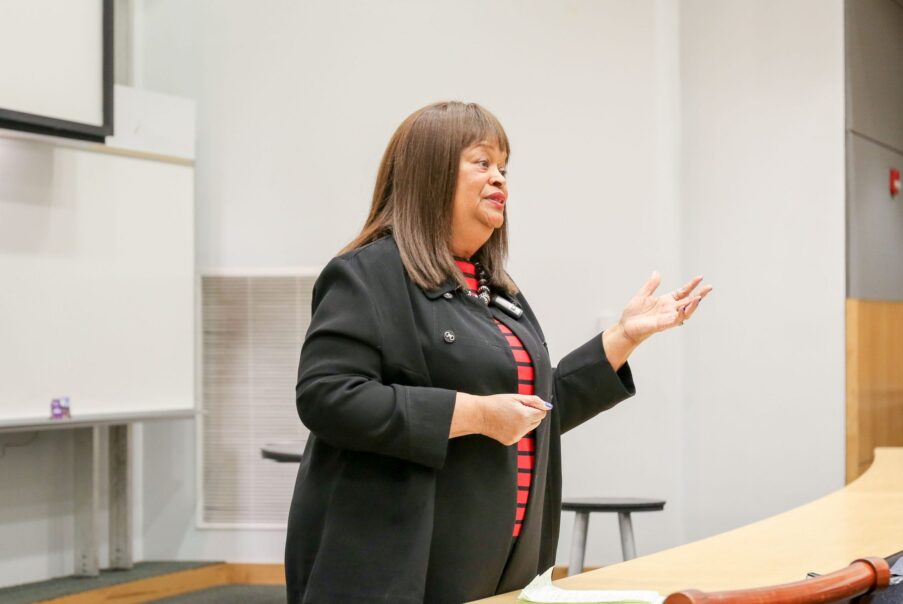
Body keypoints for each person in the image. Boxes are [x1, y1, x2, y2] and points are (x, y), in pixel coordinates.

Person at [284, 101, 711, 603]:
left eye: (505, 168)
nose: (500, 180)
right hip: (397, 568)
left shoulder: (497, 290)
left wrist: (623, 337)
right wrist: (472, 414)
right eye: (483, 163)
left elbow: (533, 410)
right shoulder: (367, 273)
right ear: (430, 172)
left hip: (499, 566)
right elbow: (327, 396)